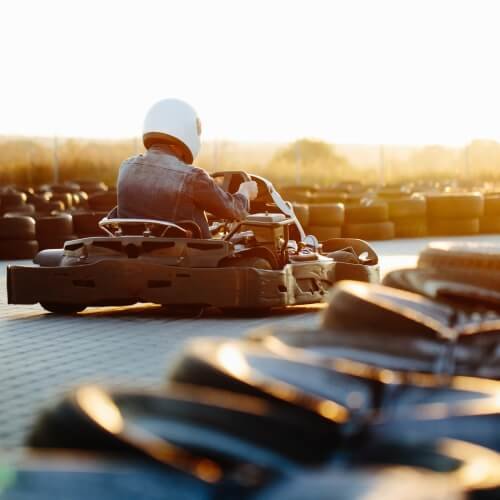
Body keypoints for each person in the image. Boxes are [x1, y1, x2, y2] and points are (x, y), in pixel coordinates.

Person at [117, 98, 257, 238]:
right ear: (186, 130)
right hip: (190, 255)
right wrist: (245, 192)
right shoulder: (193, 177)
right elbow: (235, 211)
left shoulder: (126, 168)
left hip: (134, 252)